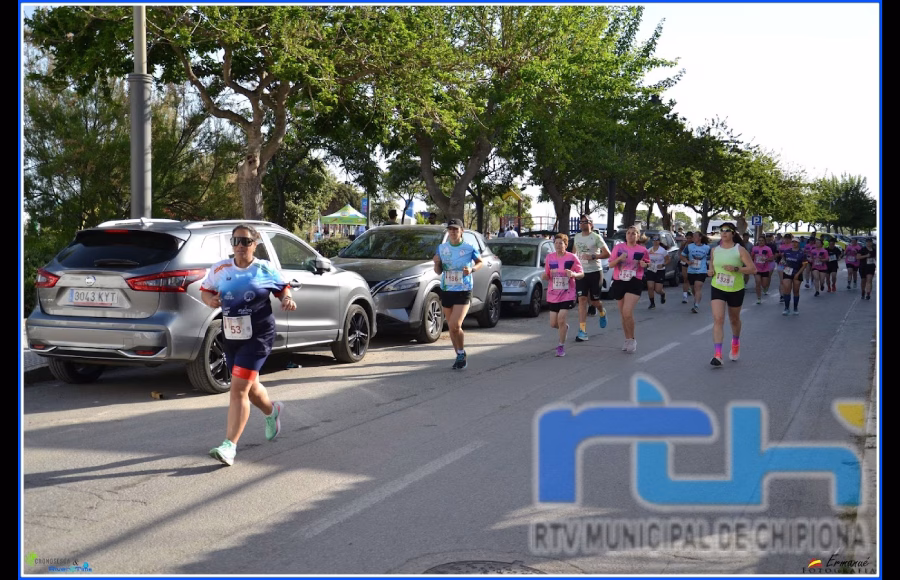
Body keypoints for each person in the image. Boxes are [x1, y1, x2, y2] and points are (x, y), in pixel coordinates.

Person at [201, 224, 297, 466]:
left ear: (255, 244)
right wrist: (210, 300)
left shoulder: (263, 269)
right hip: (232, 335)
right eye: (236, 241)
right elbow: (206, 291)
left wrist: (287, 298)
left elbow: (283, 289)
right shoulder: (220, 269)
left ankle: (229, 446)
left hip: (259, 335)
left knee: (238, 389)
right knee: (250, 387)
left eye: (245, 241)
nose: (240, 246)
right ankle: (272, 411)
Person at [433, 219, 483, 369]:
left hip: (463, 289)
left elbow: (480, 262)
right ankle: (459, 355)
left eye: (456, 229)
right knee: (451, 327)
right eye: (450, 229)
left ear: (462, 231)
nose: (453, 232)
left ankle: (461, 354)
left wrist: (472, 269)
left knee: (455, 325)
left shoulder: (469, 247)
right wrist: (436, 263)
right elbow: (438, 271)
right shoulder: (442, 248)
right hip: (447, 289)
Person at [707, 223, 756, 366]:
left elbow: (753, 269)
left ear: (733, 233)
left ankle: (735, 342)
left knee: (734, 319)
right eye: (721, 230)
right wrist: (710, 271)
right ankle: (718, 355)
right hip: (718, 287)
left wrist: (736, 268)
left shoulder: (739, 250)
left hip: (735, 288)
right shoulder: (715, 250)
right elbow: (712, 264)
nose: (723, 233)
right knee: (718, 319)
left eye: (727, 230)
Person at [609, 226, 651, 353]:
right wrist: (619, 259)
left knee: (627, 311)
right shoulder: (618, 248)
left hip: (634, 281)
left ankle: (632, 339)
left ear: (638, 236)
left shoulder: (642, 250)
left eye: (634, 233)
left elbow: (648, 263)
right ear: (626, 235)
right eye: (629, 233)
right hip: (619, 280)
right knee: (623, 314)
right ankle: (627, 339)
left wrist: (645, 264)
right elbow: (610, 264)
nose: (631, 235)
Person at [541, 233, 584, 356]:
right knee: (553, 324)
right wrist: (544, 276)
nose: (558, 245)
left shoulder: (572, 257)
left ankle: (560, 346)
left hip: (567, 294)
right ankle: (564, 328)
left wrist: (574, 274)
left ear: (566, 244)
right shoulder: (550, 257)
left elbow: (581, 273)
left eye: (561, 243)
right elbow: (547, 274)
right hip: (553, 294)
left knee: (561, 319)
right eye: (556, 243)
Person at [572, 214, 610, 341]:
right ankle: (582, 331)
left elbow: (607, 254)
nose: (582, 224)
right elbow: (573, 253)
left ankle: (602, 311)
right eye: (581, 222)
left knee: (594, 301)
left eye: (585, 221)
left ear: (591, 224)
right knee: (582, 300)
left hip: (595, 272)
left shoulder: (596, 237)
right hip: (581, 273)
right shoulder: (577, 237)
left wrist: (593, 256)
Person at [682, 231, 711, 313]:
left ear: (700, 238)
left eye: (695, 236)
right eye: (693, 237)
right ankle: (696, 300)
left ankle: (696, 305)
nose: (693, 238)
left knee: (697, 287)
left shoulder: (707, 248)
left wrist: (710, 266)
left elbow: (712, 257)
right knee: (693, 289)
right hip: (691, 271)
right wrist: (687, 262)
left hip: (702, 271)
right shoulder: (689, 247)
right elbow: (682, 256)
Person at [779, 237, 807, 315]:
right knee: (786, 289)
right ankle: (786, 308)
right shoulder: (786, 252)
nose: (794, 243)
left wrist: (798, 274)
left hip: (797, 272)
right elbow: (782, 261)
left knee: (796, 291)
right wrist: (782, 269)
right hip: (787, 272)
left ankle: (795, 307)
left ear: (798, 243)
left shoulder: (802, 253)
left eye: (796, 242)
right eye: (793, 242)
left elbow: (804, 265)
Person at [645, 234, 670, 309]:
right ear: (652, 241)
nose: (655, 242)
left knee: (658, 289)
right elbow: (646, 259)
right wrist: (647, 263)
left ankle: (662, 294)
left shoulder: (663, 251)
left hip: (660, 271)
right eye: (654, 240)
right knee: (650, 287)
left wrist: (663, 264)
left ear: (659, 241)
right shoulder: (649, 250)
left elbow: (668, 260)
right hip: (651, 270)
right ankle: (652, 303)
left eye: (657, 240)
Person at [750, 235, 775, 304]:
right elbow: (751, 257)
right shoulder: (754, 248)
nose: (761, 242)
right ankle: (758, 298)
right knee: (757, 282)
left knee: (764, 285)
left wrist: (766, 259)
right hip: (756, 269)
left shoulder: (768, 249)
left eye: (762, 240)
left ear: (765, 241)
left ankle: (765, 288)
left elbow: (772, 258)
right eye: (759, 240)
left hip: (765, 269)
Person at [679, 232, 693, 303]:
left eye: (690, 238)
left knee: (691, 279)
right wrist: (682, 258)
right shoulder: (684, 244)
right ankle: (685, 297)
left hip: (693, 263)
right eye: (687, 238)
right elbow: (680, 251)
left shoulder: (695, 244)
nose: (688, 240)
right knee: (685, 278)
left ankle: (690, 288)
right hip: (685, 262)